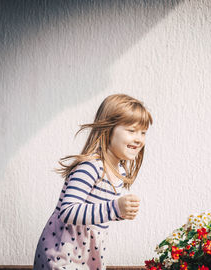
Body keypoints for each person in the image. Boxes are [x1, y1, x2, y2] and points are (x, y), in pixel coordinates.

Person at [33, 94, 153, 270]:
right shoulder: (90, 167)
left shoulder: (118, 171)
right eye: (131, 130)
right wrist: (115, 208)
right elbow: (68, 211)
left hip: (88, 253)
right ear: (108, 130)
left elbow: (98, 212)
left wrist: (120, 212)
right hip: (62, 254)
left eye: (143, 132)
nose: (139, 138)